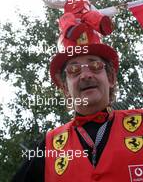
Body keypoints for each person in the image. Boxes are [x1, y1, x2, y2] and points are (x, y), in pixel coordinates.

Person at [11, 29, 143, 182]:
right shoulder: (47, 148)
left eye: (95, 65)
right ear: (66, 88)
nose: (86, 75)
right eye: (74, 69)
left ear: (111, 77)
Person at [31, 0, 126, 46]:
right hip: (73, 21)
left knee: (93, 15)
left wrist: (116, 9)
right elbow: (50, 1)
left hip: (86, 23)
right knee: (66, 17)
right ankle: (71, 30)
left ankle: (103, 26)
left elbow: (98, 12)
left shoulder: (88, 3)